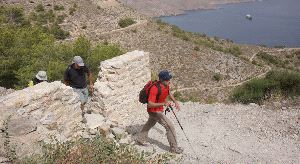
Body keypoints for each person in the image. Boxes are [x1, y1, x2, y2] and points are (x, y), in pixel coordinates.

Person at [137, 70, 183, 154]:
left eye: (169, 79)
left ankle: (140, 139)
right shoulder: (154, 89)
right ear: (162, 80)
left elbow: (168, 92)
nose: (169, 81)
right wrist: (164, 103)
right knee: (169, 126)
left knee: (150, 123)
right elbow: (150, 104)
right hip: (154, 111)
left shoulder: (166, 85)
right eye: (167, 79)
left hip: (158, 109)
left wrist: (175, 101)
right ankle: (174, 148)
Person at [64, 56, 93, 122]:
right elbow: (66, 80)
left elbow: (89, 73)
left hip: (84, 86)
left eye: (81, 64)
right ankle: (81, 115)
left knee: (85, 100)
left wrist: (91, 83)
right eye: (78, 65)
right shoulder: (69, 69)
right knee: (82, 101)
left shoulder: (83, 66)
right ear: (74, 63)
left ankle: (81, 109)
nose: (80, 66)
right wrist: (67, 89)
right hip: (76, 88)